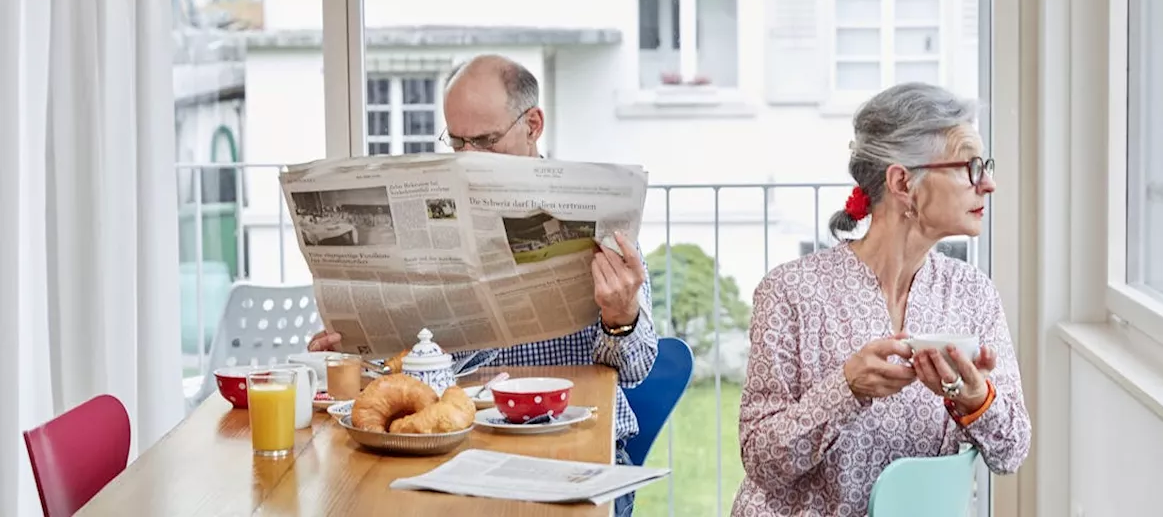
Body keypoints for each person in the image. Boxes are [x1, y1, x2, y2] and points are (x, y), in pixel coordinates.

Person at [308, 54, 657, 516]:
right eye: (458, 141)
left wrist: (620, 318)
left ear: (533, 124)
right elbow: (406, 369)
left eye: (486, 141)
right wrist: (353, 354)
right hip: (451, 451)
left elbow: (637, 367)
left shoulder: (587, 204)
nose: (469, 158)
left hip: (567, 452)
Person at [730, 82, 1031, 516]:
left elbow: (1012, 451)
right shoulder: (790, 293)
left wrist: (975, 396)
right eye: (970, 166)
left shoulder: (972, 295)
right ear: (902, 181)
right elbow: (761, 461)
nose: (989, 184)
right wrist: (845, 389)